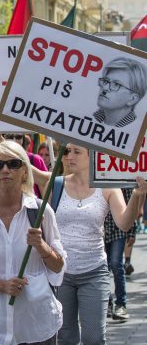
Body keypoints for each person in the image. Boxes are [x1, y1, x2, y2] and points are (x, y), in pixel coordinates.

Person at [32, 144, 147, 344]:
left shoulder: (108, 187)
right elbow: (28, 169)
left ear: (92, 156)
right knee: (66, 337)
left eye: (77, 152)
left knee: (94, 338)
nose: (69, 157)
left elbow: (124, 223)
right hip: (61, 274)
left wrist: (137, 196)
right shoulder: (56, 183)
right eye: (67, 151)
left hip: (94, 271)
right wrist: (1, 140)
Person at [0, 140, 66, 344]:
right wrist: (0, 285)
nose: (5, 170)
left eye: (13, 164)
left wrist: (41, 246)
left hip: (37, 325)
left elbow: (58, 266)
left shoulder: (41, 212)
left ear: (25, 172)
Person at [104, 188, 136, 321]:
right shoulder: (96, 177)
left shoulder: (121, 178)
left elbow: (130, 205)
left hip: (119, 230)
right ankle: (107, 302)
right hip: (100, 230)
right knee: (103, 267)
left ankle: (121, 304)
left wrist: (131, 232)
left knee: (116, 264)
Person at [93, 56, 147, 127]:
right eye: (106, 81)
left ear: (133, 99)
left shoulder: (135, 130)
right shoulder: (94, 117)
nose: (105, 87)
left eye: (116, 84)